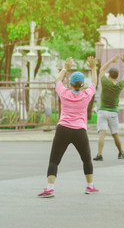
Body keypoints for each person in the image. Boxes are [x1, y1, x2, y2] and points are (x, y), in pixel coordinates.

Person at [38, 56, 98, 198]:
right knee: (87, 159)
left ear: (70, 84)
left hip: (63, 129)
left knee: (54, 160)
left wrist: (65, 67)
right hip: (79, 131)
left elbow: (57, 81)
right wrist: (94, 68)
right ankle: (90, 186)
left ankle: (49, 188)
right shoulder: (86, 94)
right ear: (82, 85)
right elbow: (95, 83)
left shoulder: (64, 93)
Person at [93, 53, 124, 161]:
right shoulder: (119, 85)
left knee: (102, 134)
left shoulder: (105, 82)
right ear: (117, 76)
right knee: (115, 134)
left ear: (109, 75)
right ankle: (121, 152)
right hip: (113, 113)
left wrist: (111, 60)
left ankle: (99, 154)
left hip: (102, 111)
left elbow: (101, 70)